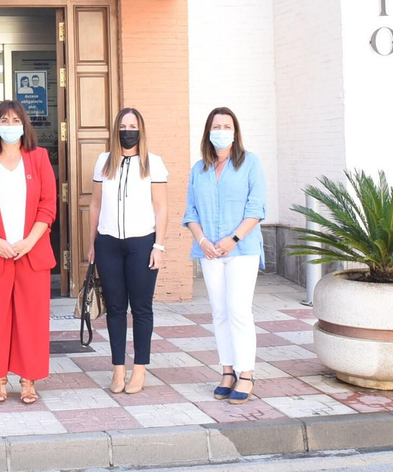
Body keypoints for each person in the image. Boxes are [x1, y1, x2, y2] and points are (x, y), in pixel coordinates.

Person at [0, 100, 56, 405]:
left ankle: (28, 380)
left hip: (31, 252)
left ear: (24, 125)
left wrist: (29, 241)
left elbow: (48, 205)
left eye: (15, 120)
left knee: (31, 320)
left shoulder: (39, 157)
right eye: (4, 120)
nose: (9, 126)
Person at [183, 107, 267, 405]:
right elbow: (190, 212)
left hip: (241, 250)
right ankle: (227, 371)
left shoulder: (250, 163)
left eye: (226, 126)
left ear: (235, 131)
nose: (221, 131)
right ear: (208, 132)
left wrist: (233, 239)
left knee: (238, 310)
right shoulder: (199, 169)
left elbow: (256, 208)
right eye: (216, 126)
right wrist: (203, 241)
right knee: (219, 311)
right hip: (209, 252)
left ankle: (246, 373)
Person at [87, 107, 169, 395]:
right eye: (123, 126)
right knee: (116, 308)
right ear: (116, 129)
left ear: (140, 130)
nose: (127, 131)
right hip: (108, 244)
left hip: (142, 243)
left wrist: (159, 246)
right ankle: (118, 368)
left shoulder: (153, 163)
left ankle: (140, 368)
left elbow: (161, 207)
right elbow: (95, 204)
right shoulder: (104, 161)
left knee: (142, 308)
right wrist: (92, 244)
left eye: (132, 126)